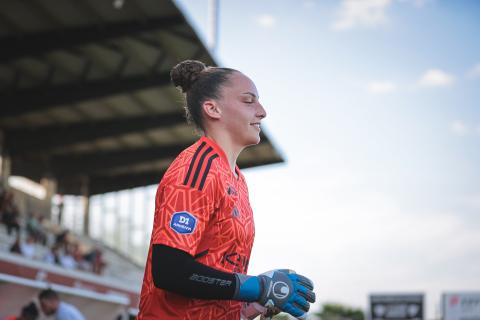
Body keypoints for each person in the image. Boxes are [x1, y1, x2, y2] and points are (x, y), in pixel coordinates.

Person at [138, 60, 315, 320]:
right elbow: (170, 270)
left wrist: (253, 304)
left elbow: (211, 278)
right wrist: (255, 286)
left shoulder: (237, 179)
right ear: (213, 108)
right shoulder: (195, 168)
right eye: (248, 101)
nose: (262, 111)